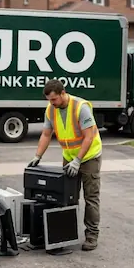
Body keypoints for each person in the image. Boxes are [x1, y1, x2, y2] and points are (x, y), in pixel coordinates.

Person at [28, 79, 102, 251]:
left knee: (91, 198)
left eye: (54, 99)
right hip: (69, 157)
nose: (51, 103)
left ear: (63, 93)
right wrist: (37, 156)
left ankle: (91, 236)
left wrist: (78, 160)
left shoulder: (80, 107)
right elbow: (46, 135)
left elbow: (89, 137)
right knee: (67, 197)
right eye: (49, 100)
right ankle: (66, 235)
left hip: (89, 156)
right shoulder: (51, 110)